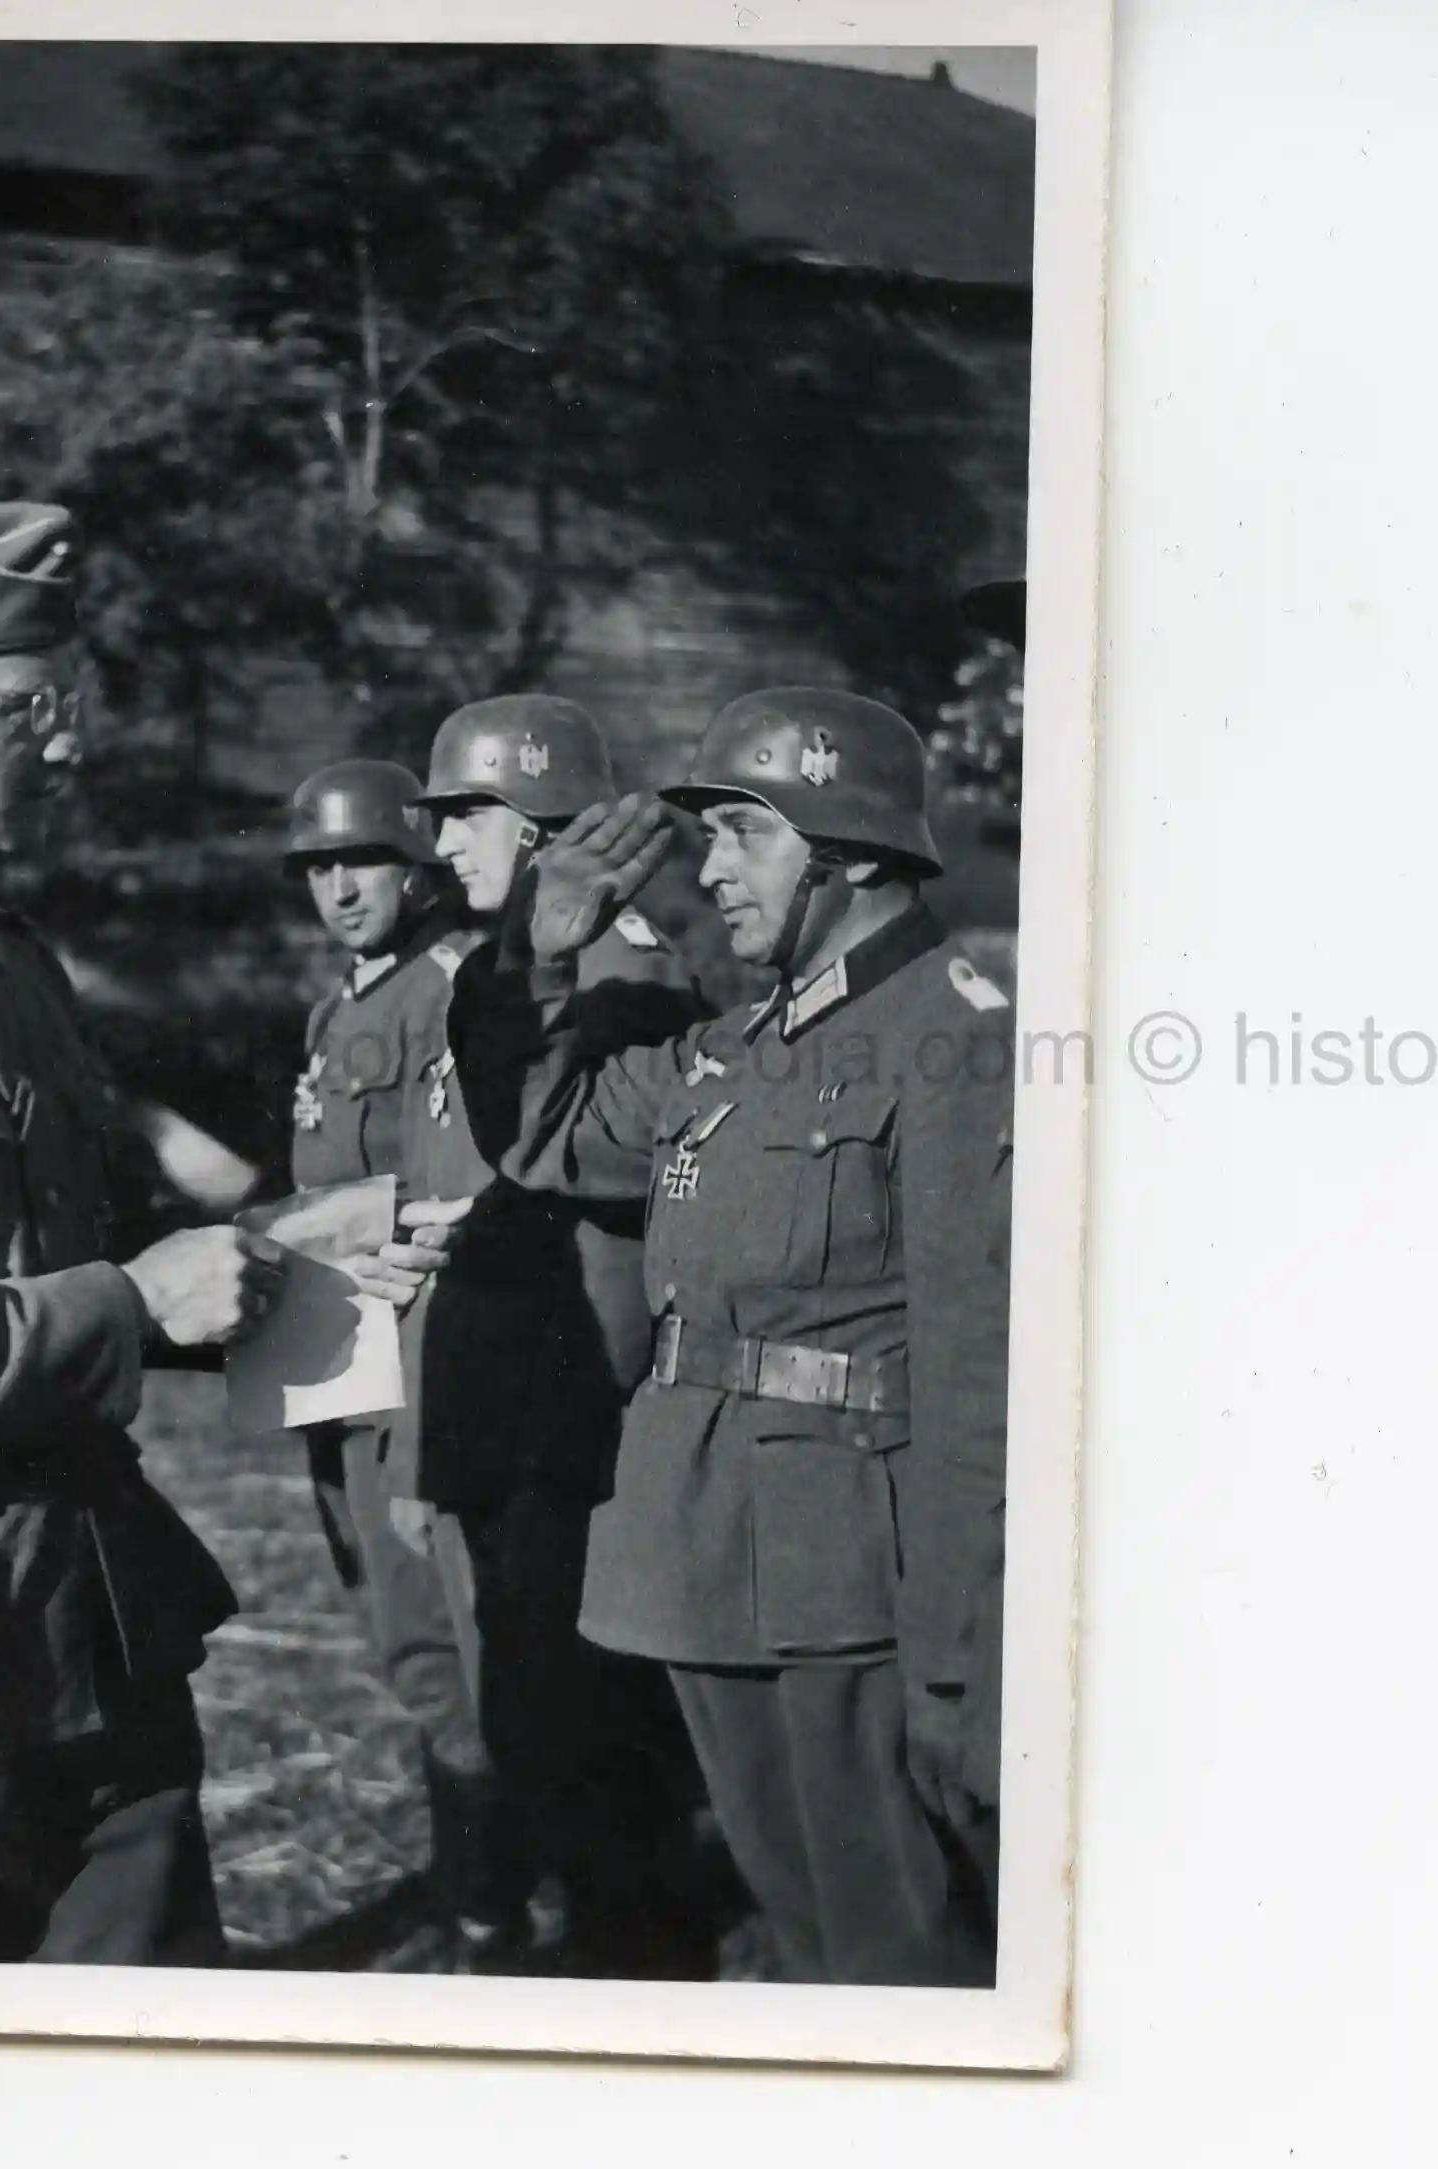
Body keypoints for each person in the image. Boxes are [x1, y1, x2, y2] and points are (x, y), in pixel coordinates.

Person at [0, 503, 461, 1962]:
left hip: (98, 1648)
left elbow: (74, 1241)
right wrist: (138, 1301)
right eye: (31, 709)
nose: (70, 744)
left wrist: (285, 1256)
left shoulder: (5, 967)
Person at [455, 686, 1010, 1987]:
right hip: (704, 1564)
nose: (709, 870)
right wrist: (539, 948)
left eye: (740, 837)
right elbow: (544, 1135)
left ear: (851, 853)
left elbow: (982, 1377)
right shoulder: (735, 1046)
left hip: (860, 1593)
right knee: (811, 1935)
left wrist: (954, 1669)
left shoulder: (957, 1038)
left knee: (899, 1955)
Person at [398, 694, 711, 1971]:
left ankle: (623, 1975)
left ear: (541, 831)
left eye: (469, 816)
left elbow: (563, 1154)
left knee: (582, 1746)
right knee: (535, 1722)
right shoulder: (519, 961)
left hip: (580, 1412)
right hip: (522, 1402)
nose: (443, 846)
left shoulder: (624, 967)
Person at [279, 757, 521, 1959]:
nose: (338, 887)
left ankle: (492, 1906)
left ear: (417, 864)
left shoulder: (449, 984)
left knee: (447, 1644)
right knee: (399, 1639)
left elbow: (455, 1189)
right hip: (335, 1359)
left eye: (361, 861)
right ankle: (472, 1888)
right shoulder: (337, 1009)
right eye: (318, 867)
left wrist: (294, 1234)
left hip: (418, 1355)